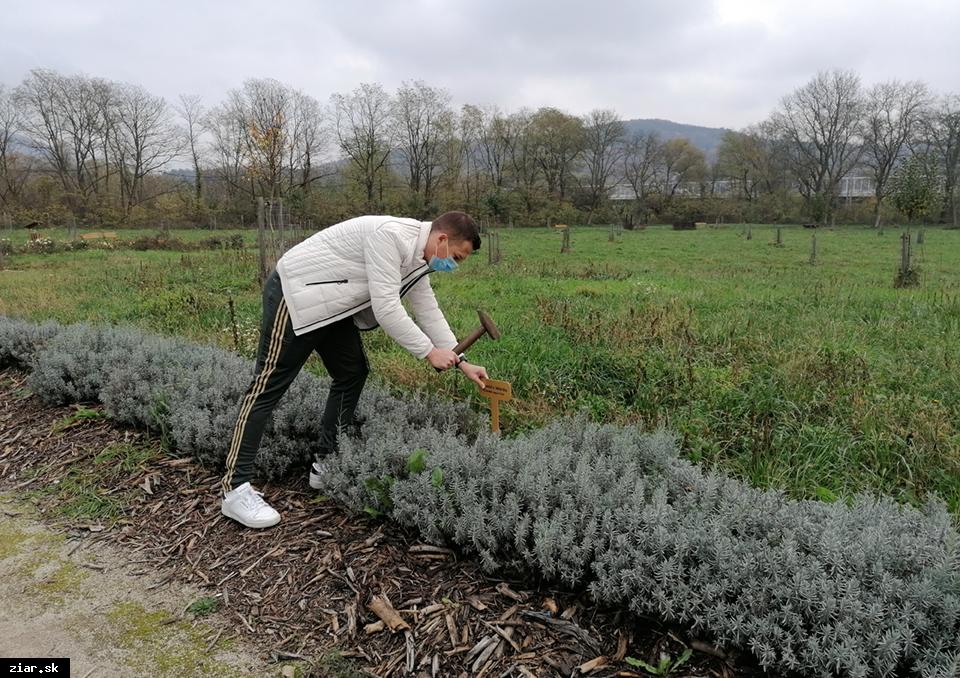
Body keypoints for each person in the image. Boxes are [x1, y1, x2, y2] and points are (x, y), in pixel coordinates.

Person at [220, 211, 489, 528]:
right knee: (268, 385)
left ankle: (325, 463)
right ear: (442, 239)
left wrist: (463, 362)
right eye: (456, 257)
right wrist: (428, 352)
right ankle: (235, 490)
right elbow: (387, 307)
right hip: (296, 296)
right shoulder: (391, 236)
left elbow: (428, 310)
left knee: (352, 372)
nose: (453, 265)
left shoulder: (421, 258)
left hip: (333, 307)